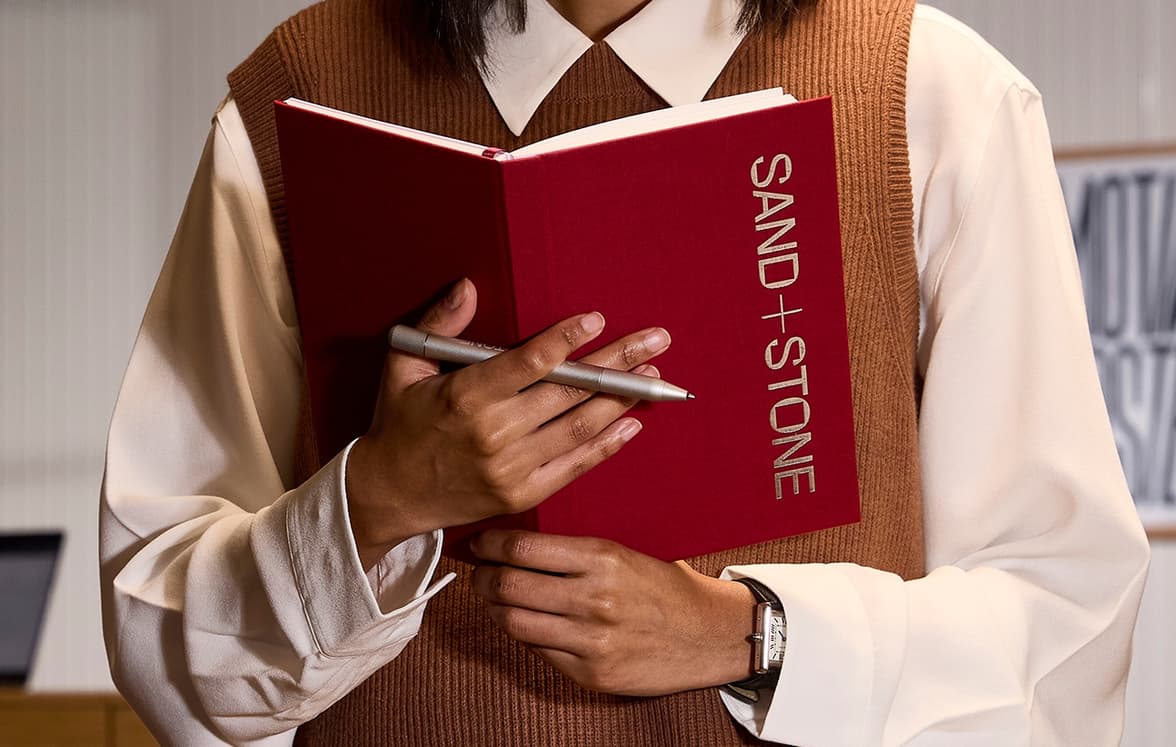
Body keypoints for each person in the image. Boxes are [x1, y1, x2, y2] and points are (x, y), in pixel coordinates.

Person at [99, 0, 1150, 744]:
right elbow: (166, 653)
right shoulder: (300, 95)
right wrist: (379, 501)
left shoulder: (932, 91)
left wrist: (757, 636)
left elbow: (1065, 619)